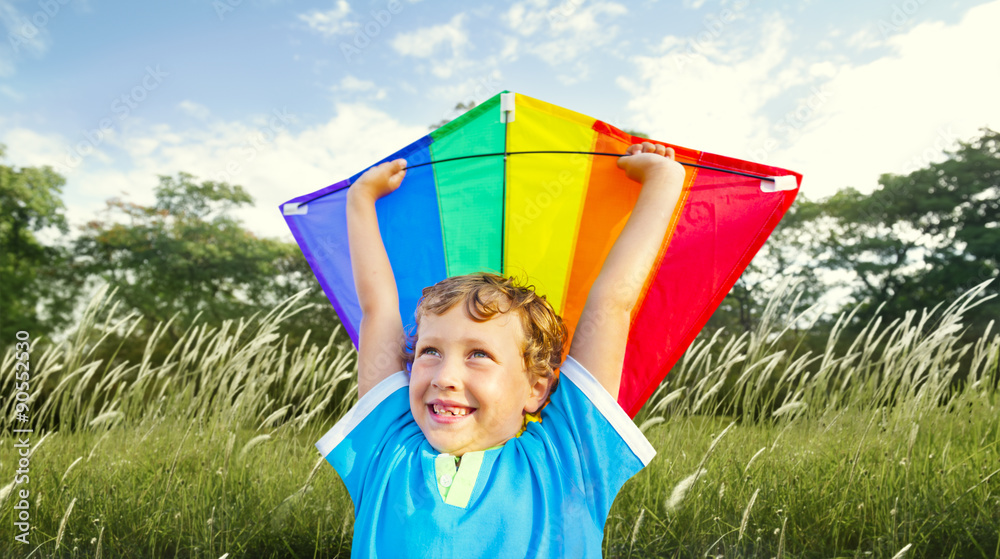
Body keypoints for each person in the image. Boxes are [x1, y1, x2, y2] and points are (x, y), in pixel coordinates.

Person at [316, 142, 686, 557]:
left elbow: (612, 305)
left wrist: (663, 182)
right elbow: (377, 308)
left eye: (479, 355)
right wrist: (360, 199)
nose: (444, 377)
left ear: (537, 389)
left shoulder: (569, 460)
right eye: (429, 351)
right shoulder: (386, 449)